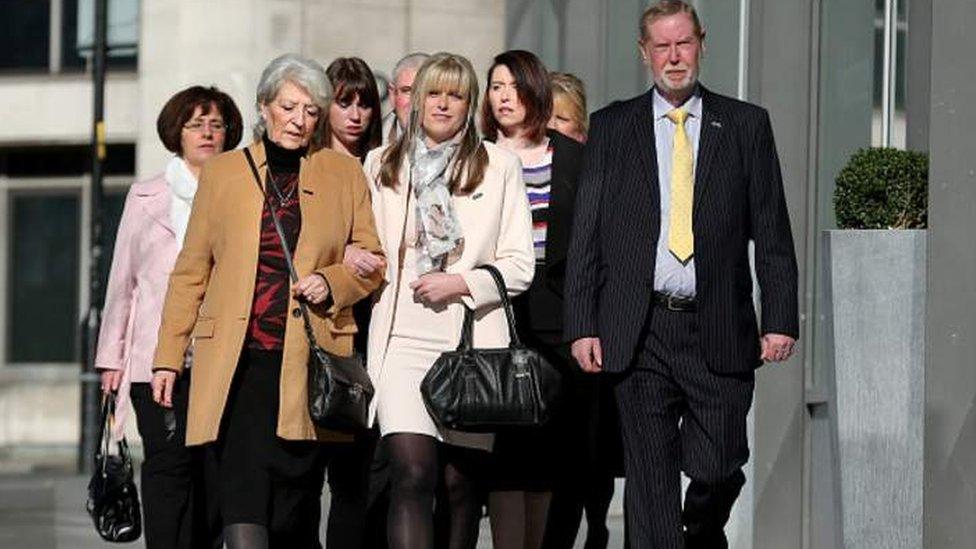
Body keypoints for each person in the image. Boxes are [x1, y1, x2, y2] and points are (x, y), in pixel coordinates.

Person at [564, 2, 799, 548]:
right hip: (638, 328)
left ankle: (700, 526)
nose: (675, 58)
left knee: (718, 461)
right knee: (649, 482)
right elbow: (588, 237)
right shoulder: (612, 126)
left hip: (718, 324)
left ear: (701, 44)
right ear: (644, 52)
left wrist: (780, 317)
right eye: (663, 47)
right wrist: (583, 324)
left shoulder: (745, 124)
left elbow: (772, 229)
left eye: (684, 43)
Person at [150, 53, 385, 549]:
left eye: (311, 111)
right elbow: (191, 272)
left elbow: (373, 264)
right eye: (289, 106)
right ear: (264, 107)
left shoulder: (342, 175)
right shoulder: (223, 173)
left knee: (291, 510)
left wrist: (331, 280)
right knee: (241, 498)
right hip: (236, 364)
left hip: (305, 362)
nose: (300, 120)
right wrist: (168, 359)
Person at [362, 52, 535, 549]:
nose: (442, 104)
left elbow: (521, 264)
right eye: (433, 93)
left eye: (455, 95)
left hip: (470, 341)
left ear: (469, 104)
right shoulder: (381, 164)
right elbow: (368, 242)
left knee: (460, 486)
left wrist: (461, 283)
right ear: (415, 101)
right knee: (411, 473)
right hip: (401, 337)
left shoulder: (498, 166)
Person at [96, 85, 242, 549]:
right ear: (175, 133)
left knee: (214, 470)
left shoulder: (240, 195)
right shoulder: (145, 197)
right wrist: (111, 361)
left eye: (216, 124)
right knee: (167, 464)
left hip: (220, 357)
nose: (206, 133)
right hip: (151, 359)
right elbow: (123, 284)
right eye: (195, 124)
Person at [478, 49, 585, 549]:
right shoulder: (475, 156)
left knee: (547, 453)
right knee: (507, 452)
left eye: (514, 86)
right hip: (497, 311)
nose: (504, 97)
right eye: (496, 87)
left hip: (559, 316)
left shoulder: (573, 156)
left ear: (536, 91)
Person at [322, 55, 388, 549]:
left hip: (377, 324)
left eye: (365, 103)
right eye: (344, 102)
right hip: (322, 325)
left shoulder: (384, 165)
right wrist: (339, 248)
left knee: (366, 474)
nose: (356, 113)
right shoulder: (307, 165)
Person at [325, 57, 383, 161]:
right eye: (344, 104)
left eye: (364, 105)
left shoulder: (384, 168)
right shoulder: (306, 166)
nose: (355, 116)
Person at [382, 52, 430, 144]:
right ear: (392, 95)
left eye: (426, 92)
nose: (416, 102)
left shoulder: (462, 150)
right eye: (407, 91)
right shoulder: (368, 147)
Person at [547, 72, 588, 144]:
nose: (550, 125)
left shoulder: (594, 153)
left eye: (562, 118)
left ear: (580, 122)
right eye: (543, 115)